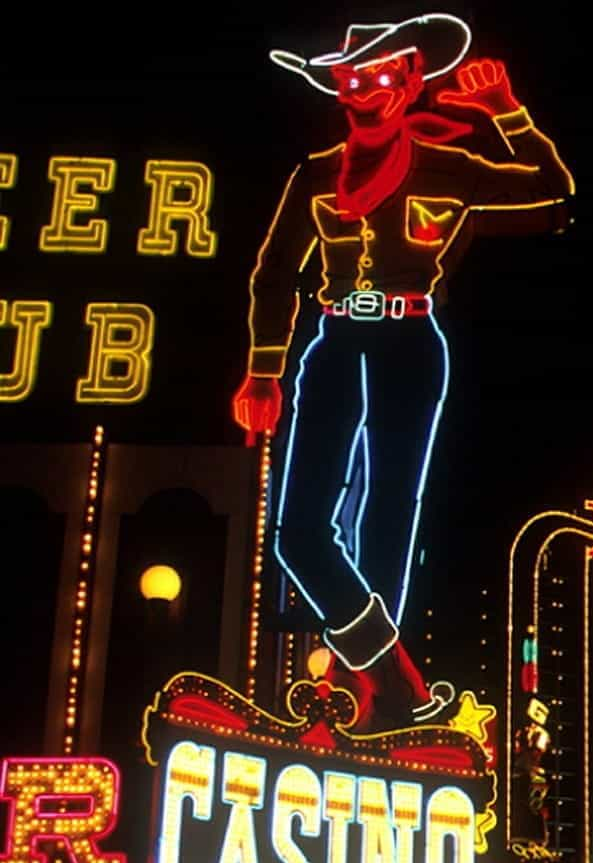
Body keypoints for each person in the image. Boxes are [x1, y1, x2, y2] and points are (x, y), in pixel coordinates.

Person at [232, 14, 574, 732]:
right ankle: (394, 677)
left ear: (413, 80)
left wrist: (506, 111)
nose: (368, 88)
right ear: (337, 86)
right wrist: (262, 371)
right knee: (298, 533)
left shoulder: (447, 168)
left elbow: (554, 192)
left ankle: (376, 700)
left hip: (411, 341)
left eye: (386, 74)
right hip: (333, 342)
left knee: (390, 516)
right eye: (354, 76)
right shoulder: (318, 174)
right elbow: (272, 276)